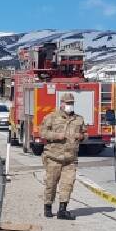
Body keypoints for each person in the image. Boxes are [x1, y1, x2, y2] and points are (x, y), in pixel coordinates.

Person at [40, 91, 86, 220]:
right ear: (61, 104)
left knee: (67, 184)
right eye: (67, 103)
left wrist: (81, 136)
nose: (70, 105)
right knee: (51, 184)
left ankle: (62, 210)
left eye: (71, 103)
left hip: (70, 159)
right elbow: (42, 133)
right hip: (54, 158)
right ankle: (48, 207)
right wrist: (56, 136)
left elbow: (85, 134)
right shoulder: (51, 117)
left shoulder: (79, 119)